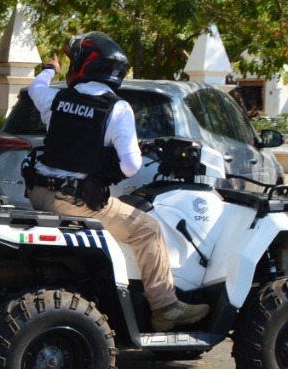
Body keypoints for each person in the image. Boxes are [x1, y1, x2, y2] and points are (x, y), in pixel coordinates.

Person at [26, 31, 207, 332]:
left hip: (38, 193)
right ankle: (164, 306)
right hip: (74, 203)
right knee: (148, 229)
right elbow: (131, 164)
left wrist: (49, 68)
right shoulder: (117, 109)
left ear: (82, 66)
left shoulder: (56, 97)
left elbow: (35, 87)